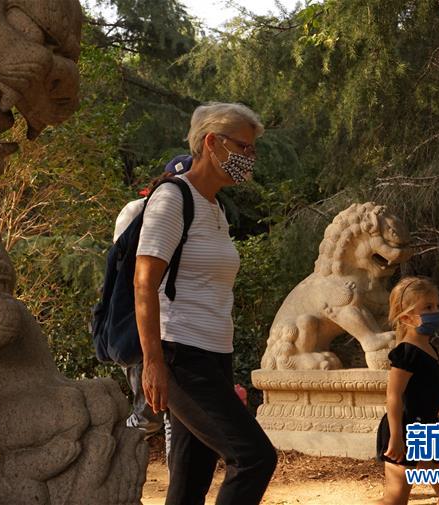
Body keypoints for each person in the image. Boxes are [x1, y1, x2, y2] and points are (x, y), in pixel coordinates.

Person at [135, 102, 277, 505]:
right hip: (180, 354)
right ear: (212, 143)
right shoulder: (172, 198)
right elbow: (143, 283)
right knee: (254, 458)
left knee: (191, 478)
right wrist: (152, 362)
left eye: (253, 150)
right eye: (244, 148)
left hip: (214, 356)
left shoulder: (213, 206)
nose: (250, 158)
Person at [115, 155, 192, 446]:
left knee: (177, 415)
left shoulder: (196, 210)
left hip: (178, 328)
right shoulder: (137, 211)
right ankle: (116, 454)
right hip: (143, 325)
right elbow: (130, 276)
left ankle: (176, 483)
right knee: (149, 413)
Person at [377, 276, 439, 505]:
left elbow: (426, 392)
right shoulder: (406, 353)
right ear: (407, 316)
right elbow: (395, 395)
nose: (435, 312)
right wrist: (397, 436)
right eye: (428, 307)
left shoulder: (428, 347)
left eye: (437, 305)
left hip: (427, 432)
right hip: (405, 431)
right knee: (396, 498)